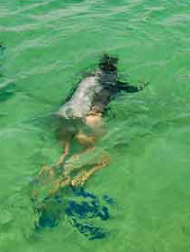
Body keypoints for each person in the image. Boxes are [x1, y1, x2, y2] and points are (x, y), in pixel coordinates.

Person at [39, 54, 142, 194]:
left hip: (63, 113)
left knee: (65, 152)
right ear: (114, 73)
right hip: (90, 119)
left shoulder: (86, 77)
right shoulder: (113, 84)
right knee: (103, 156)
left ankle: (57, 164)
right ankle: (81, 172)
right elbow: (102, 101)